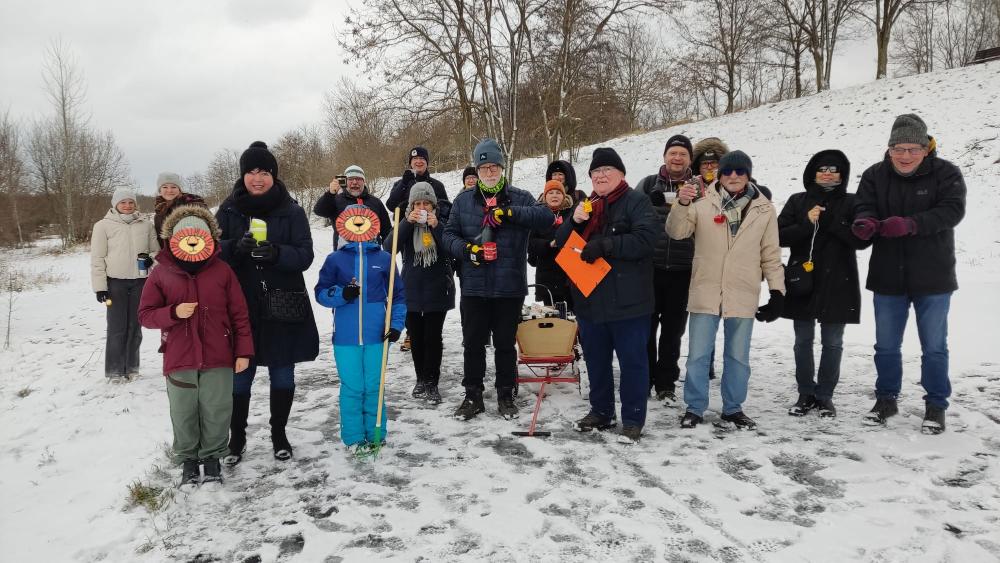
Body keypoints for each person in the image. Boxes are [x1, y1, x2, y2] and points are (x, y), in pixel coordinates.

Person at [851, 114, 966, 434]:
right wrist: (865, 223)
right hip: (888, 275)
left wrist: (912, 224)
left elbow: (953, 210)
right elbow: (864, 206)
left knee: (934, 346)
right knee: (886, 345)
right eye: (897, 148)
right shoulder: (875, 175)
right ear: (888, 149)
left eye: (912, 148)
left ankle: (936, 404)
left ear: (926, 148)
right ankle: (886, 398)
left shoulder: (947, 174)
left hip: (934, 276)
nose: (904, 155)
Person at [216, 141, 320, 465]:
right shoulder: (229, 210)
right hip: (241, 305)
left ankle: (279, 434)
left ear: (273, 175)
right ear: (242, 175)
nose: (257, 178)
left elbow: (305, 254)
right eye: (251, 172)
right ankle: (237, 439)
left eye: (264, 172)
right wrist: (236, 247)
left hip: (282, 304)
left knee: (283, 375)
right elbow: (213, 251)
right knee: (240, 376)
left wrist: (277, 253)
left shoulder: (291, 210)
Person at [666, 150, 785, 430]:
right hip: (706, 289)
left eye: (740, 172)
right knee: (698, 354)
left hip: (742, 291)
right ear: (719, 175)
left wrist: (777, 291)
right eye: (728, 172)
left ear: (748, 175)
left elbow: (770, 253)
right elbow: (677, 231)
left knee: (737, 356)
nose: (733, 177)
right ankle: (695, 407)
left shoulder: (764, 209)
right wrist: (681, 205)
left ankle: (733, 408)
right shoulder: (702, 202)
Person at [138, 205, 253, 488]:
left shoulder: (222, 271)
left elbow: (239, 313)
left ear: (209, 238)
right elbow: (146, 314)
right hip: (180, 356)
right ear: (174, 238)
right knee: (183, 410)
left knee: (217, 408)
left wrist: (243, 351)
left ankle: (213, 457)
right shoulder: (161, 273)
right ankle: (188, 459)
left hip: (219, 354)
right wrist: (173, 313)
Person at [443, 138, 555, 421]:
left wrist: (511, 213)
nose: (489, 173)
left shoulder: (519, 197)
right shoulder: (463, 200)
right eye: (484, 168)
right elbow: (448, 235)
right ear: (477, 171)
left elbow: (545, 217)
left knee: (505, 345)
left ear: (502, 168)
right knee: (473, 344)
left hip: (509, 286)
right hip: (474, 287)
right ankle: (473, 395)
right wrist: (469, 251)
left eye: (494, 167)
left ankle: (506, 394)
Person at [555, 148, 658, 444]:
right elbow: (560, 246)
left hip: (629, 303)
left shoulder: (637, 201)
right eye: (595, 172)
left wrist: (607, 245)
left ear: (621, 174)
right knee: (597, 362)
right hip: (590, 301)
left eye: (607, 171)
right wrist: (573, 222)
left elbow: (647, 238)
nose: (600, 176)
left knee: (633, 363)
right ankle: (601, 412)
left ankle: (633, 418)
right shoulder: (587, 206)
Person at [778, 150, 869, 418]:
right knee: (802, 341)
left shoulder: (854, 202)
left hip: (839, 282)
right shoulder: (798, 201)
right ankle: (805, 392)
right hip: (802, 281)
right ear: (812, 171)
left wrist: (835, 224)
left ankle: (825, 395)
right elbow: (779, 235)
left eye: (834, 169)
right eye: (822, 168)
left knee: (833, 342)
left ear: (843, 174)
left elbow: (862, 240)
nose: (827, 173)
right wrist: (807, 224)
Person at [315, 204, 406, 451]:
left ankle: (377, 431)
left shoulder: (384, 259)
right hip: (346, 338)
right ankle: (354, 437)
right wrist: (342, 293)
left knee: (374, 386)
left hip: (377, 335)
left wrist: (396, 324)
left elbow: (398, 296)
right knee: (353, 387)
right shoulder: (335, 259)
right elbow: (321, 293)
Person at [635, 134, 695, 403]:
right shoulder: (648, 184)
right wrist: (650, 200)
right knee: (646, 327)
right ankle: (646, 377)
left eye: (682, 153)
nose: (677, 158)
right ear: (665, 156)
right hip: (651, 267)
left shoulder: (699, 187)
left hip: (684, 269)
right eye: (673, 153)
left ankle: (666, 383)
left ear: (690, 159)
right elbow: (631, 213)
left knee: (673, 331)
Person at [385, 182, 455, 404]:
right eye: (418, 203)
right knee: (416, 337)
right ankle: (420, 379)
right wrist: (407, 222)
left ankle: (432, 382)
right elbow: (388, 248)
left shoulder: (443, 223)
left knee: (432, 338)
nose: (422, 207)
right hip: (411, 289)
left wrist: (437, 226)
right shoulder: (405, 224)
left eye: (426, 203)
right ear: (412, 205)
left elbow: (452, 247)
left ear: (433, 205)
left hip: (438, 288)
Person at [90, 187, 159, 382]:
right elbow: (98, 258)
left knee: (135, 326)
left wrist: (150, 260)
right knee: (117, 327)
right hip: (115, 283)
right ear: (115, 204)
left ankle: (132, 368)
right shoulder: (102, 226)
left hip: (140, 282)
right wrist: (100, 287)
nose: (127, 206)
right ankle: (114, 370)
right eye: (123, 202)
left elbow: (156, 252)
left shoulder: (146, 225)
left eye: (131, 202)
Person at [313, 165, 391, 249]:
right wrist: (330, 193)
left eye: (358, 179)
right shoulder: (335, 200)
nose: (354, 182)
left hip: (372, 255)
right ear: (345, 182)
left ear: (364, 181)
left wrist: (388, 256)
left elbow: (386, 231)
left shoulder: (375, 202)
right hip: (343, 255)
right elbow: (319, 211)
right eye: (350, 179)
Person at [528, 179, 574, 308]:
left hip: (569, 273)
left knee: (571, 317)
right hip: (547, 274)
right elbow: (530, 243)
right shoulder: (537, 215)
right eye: (551, 193)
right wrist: (549, 244)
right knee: (552, 318)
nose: (554, 195)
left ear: (564, 196)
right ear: (545, 196)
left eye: (558, 192)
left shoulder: (572, 214)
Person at [385, 146, 449, 213]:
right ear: (410, 163)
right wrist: (403, 184)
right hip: (406, 223)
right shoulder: (401, 184)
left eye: (422, 158)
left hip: (431, 222)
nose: (418, 161)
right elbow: (391, 206)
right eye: (415, 158)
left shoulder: (437, 185)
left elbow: (446, 210)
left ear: (427, 162)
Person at [153, 172, 206, 248]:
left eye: (174, 187)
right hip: (169, 257)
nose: (169, 190)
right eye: (165, 187)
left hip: (194, 252)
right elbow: (160, 241)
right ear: (160, 190)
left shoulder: (193, 205)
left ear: (179, 189)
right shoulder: (159, 214)